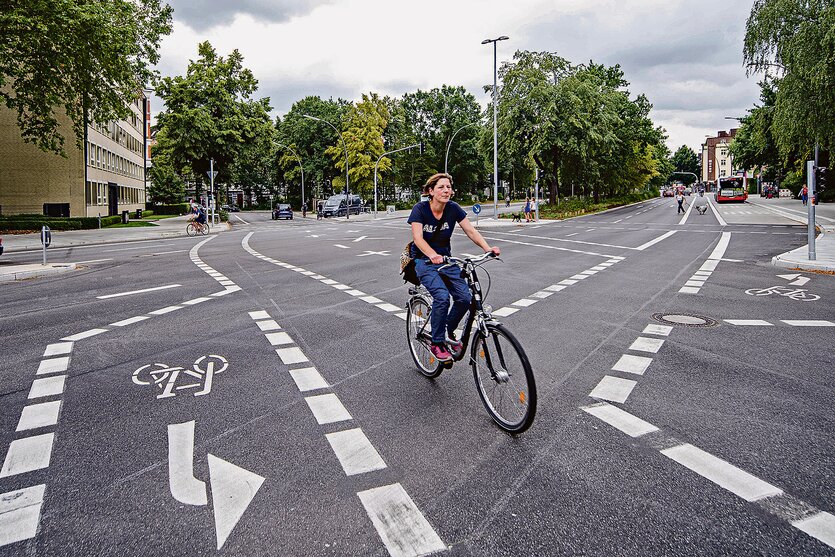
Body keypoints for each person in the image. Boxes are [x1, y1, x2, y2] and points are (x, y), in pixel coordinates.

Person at [409, 173, 501, 363]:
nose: (446, 190)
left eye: (448, 187)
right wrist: (431, 254)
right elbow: (418, 239)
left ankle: (447, 331)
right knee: (442, 297)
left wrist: (487, 248)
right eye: (441, 187)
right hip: (423, 262)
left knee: (465, 298)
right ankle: (436, 342)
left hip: (446, 261)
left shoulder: (453, 209)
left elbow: (471, 230)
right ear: (430, 191)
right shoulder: (420, 209)